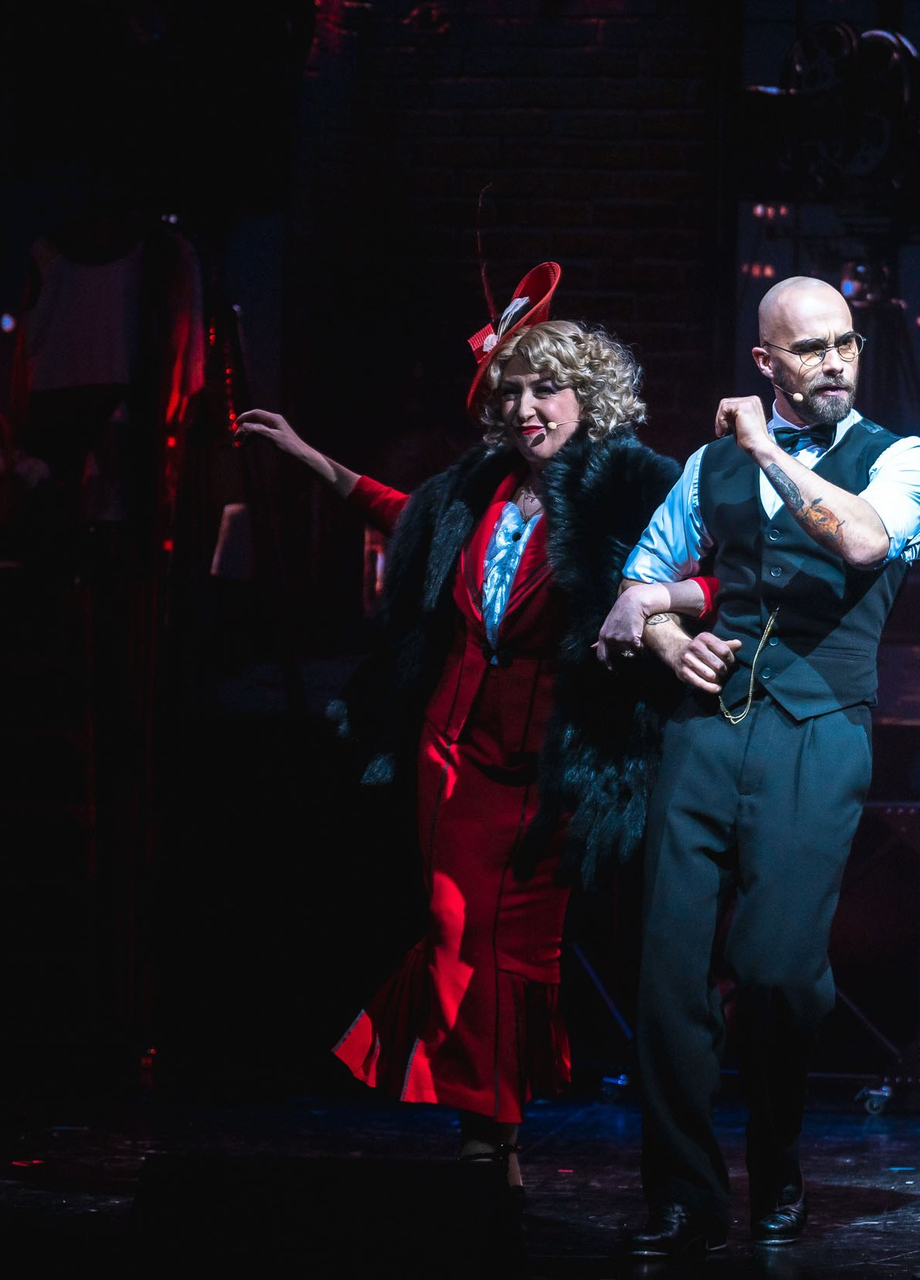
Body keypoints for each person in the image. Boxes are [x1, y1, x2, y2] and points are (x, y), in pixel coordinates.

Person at [235, 265, 699, 1193]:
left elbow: (712, 567)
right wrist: (314, 461)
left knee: (513, 947)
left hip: (550, 762)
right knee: (453, 929)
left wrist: (670, 610)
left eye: (546, 389)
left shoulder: (633, 489)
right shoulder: (476, 489)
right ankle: (488, 1138)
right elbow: (408, 521)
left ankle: (494, 1135)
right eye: (512, 393)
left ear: (588, 395)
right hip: (450, 753)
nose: (526, 409)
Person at [605, 276, 920, 1258]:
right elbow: (641, 581)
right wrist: (670, 641)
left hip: (818, 726)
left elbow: (864, 542)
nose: (835, 362)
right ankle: (684, 1195)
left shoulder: (899, 457)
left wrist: (765, 451)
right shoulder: (705, 465)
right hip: (705, 728)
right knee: (668, 973)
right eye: (810, 348)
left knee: (780, 973)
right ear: (765, 362)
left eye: (845, 343)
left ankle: (777, 1157)